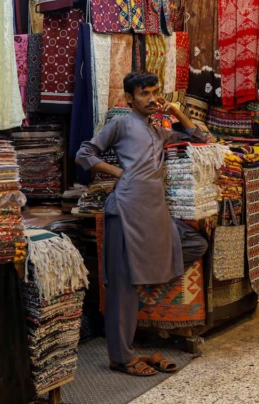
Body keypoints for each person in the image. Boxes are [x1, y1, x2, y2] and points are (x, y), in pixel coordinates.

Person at [76, 71, 211, 377]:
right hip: (125, 210)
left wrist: (174, 110)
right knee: (122, 286)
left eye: (155, 92)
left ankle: (146, 276)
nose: (151, 99)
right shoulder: (122, 123)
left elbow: (200, 138)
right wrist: (119, 173)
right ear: (129, 99)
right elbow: (84, 154)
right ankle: (121, 357)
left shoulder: (159, 130)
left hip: (154, 214)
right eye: (144, 94)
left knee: (194, 243)